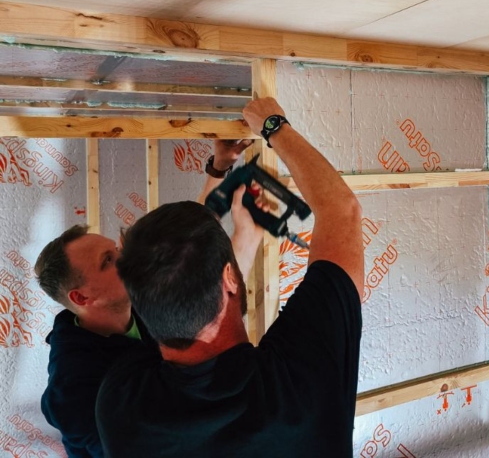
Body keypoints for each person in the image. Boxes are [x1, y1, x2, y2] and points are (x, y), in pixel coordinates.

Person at [95, 98, 364, 457]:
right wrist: (272, 126)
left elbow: (178, 280)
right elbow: (341, 212)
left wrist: (240, 232)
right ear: (229, 279)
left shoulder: (122, 404)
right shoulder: (298, 380)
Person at [34, 139, 258, 458]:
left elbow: (186, 247)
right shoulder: (75, 392)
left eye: (117, 249)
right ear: (82, 296)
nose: (128, 257)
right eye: (109, 261)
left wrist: (219, 167)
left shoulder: (138, 298)